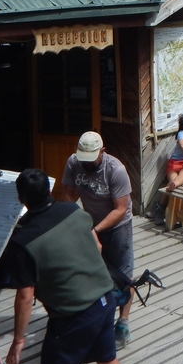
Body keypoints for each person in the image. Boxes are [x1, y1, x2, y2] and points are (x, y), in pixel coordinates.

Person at [1, 169, 130, 364]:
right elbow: (97, 246)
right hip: (104, 299)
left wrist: (18, 340)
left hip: (72, 315)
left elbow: (25, 296)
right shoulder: (73, 210)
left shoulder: (22, 241)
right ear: (49, 190)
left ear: (21, 199)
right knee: (108, 362)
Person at [63, 132, 135, 350]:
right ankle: (98, 319)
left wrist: (95, 229)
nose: (86, 162)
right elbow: (68, 194)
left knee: (123, 276)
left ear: (102, 151)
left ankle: (122, 322)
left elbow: (120, 209)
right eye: (83, 157)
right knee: (92, 274)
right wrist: (77, 221)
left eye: (91, 157)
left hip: (117, 226)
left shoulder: (116, 170)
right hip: (89, 224)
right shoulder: (74, 162)